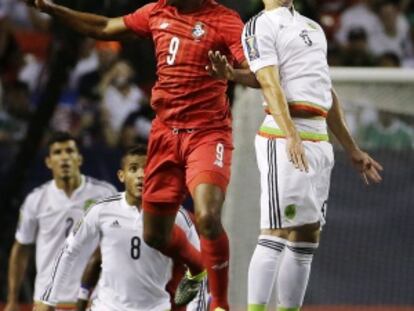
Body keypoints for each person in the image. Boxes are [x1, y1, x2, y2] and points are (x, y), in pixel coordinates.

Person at [27, 0, 257, 309]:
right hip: (164, 133)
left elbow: (256, 74)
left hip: (207, 132)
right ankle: (197, 267)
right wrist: (54, 10)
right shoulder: (157, 11)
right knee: (154, 236)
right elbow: (104, 27)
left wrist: (231, 73)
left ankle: (220, 303)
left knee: (207, 215)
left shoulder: (225, 20)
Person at [207, 1, 383, 310]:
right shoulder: (260, 24)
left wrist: (352, 148)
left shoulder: (313, 27)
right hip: (284, 136)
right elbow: (269, 81)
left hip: (318, 138)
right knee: (276, 228)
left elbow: (325, 91)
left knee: (307, 233)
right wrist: (291, 134)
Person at [33, 145, 208, 311]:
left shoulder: (176, 215)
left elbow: (198, 266)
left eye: (148, 169)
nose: (141, 175)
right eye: (133, 169)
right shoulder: (101, 210)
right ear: (121, 176)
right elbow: (69, 252)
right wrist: (49, 299)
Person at [5, 131, 117, 311]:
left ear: (79, 159)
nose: (64, 157)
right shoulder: (36, 199)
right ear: (49, 162)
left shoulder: (105, 194)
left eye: (69, 151)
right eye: (57, 153)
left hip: (94, 300)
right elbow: (21, 248)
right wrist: (12, 298)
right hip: (47, 301)